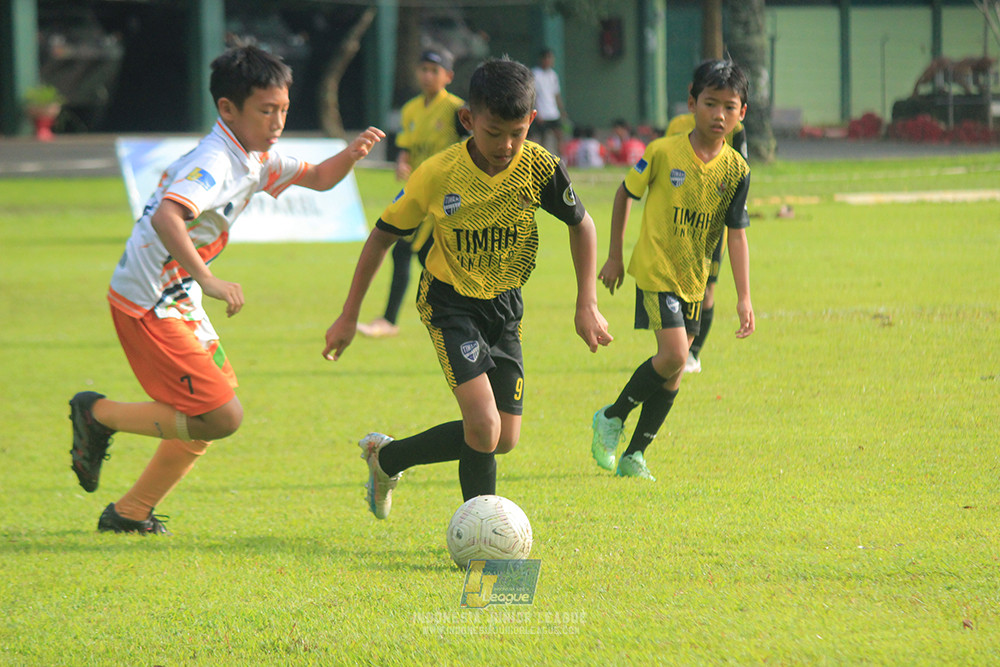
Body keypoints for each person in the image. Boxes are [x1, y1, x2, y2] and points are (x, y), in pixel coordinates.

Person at [68, 45, 384, 534]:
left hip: (175, 295)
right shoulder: (215, 161)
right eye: (266, 110)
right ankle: (98, 414)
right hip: (148, 299)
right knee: (220, 416)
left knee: (209, 410)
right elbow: (167, 216)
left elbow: (320, 178)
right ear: (227, 109)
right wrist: (208, 278)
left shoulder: (256, 155)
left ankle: (130, 513)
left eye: (282, 109)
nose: (278, 121)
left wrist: (351, 153)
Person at [323, 57, 612, 519]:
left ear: (532, 122)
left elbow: (583, 225)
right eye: (493, 132)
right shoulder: (438, 174)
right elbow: (381, 236)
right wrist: (349, 315)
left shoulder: (539, 167)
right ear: (468, 120)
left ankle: (387, 459)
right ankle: (482, 543)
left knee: (503, 437)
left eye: (517, 133)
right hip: (449, 304)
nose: (506, 145)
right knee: (483, 425)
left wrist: (587, 304)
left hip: (505, 306)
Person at [590, 59, 755, 481]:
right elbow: (625, 194)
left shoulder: (737, 170)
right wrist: (613, 256)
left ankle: (634, 455)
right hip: (656, 269)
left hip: (694, 278)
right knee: (675, 354)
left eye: (729, 107)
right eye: (710, 103)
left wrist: (744, 297)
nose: (719, 115)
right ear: (691, 103)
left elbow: (736, 234)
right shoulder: (664, 152)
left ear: (742, 113)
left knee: (675, 369)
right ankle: (611, 416)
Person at [357, 49, 466, 339]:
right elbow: (406, 148)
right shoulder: (410, 110)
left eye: (434, 69)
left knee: (405, 249)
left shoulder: (458, 110)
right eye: (424, 69)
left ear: (448, 76)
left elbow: (471, 147)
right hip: (416, 191)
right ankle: (465, 310)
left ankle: (389, 320)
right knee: (428, 255)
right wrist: (402, 162)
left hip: (443, 195)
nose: (427, 75)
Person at [664, 109, 748, 374]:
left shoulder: (735, 129)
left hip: (712, 223)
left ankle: (692, 353)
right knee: (674, 286)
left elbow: (740, 173)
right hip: (679, 222)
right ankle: (675, 349)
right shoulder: (678, 125)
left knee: (706, 289)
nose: (718, 111)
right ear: (694, 98)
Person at [528, 48, 568, 153]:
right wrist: (537, 111)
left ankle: (562, 159)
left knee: (559, 135)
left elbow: (556, 94)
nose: (550, 61)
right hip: (542, 113)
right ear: (542, 59)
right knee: (542, 138)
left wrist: (562, 110)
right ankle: (541, 160)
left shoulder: (553, 75)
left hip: (553, 112)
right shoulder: (535, 74)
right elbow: (533, 95)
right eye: (548, 58)